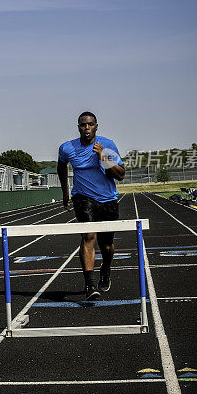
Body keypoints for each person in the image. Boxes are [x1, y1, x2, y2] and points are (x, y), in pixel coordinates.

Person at [57, 111, 125, 301]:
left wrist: (103, 155)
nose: (86, 128)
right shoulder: (67, 148)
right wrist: (65, 192)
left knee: (107, 246)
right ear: (78, 127)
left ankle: (106, 267)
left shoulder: (108, 144)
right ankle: (90, 285)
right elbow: (61, 166)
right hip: (83, 197)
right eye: (82, 125)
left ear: (96, 126)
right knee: (88, 236)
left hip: (108, 199)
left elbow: (120, 175)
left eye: (90, 124)